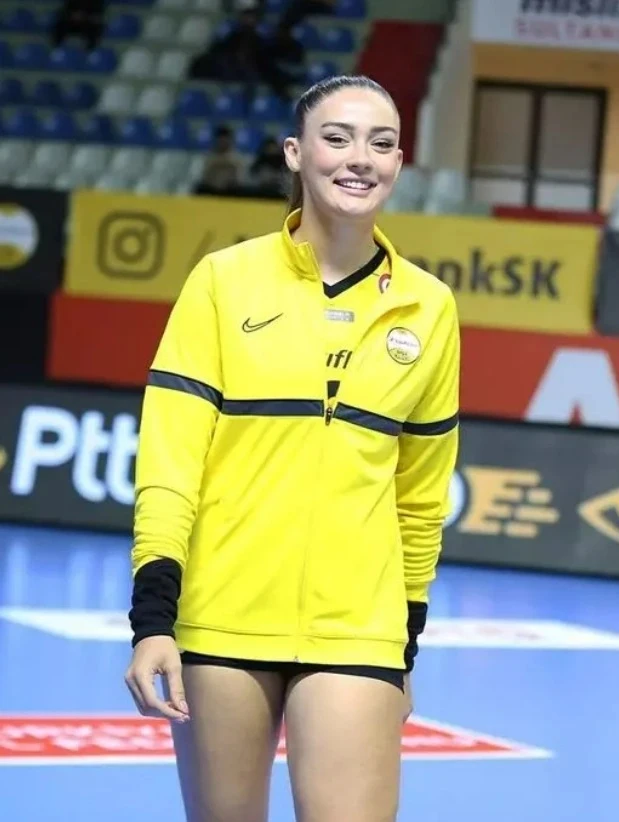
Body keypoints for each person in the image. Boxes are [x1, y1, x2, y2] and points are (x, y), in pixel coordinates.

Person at [124, 74, 460, 822]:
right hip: (222, 617)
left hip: (358, 627)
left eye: (380, 143)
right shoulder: (223, 281)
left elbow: (421, 498)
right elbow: (171, 465)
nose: (359, 157)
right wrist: (153, 621)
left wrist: (404, 644)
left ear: (398, 163)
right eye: (337, 138)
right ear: (295, 153)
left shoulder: (431, 308)